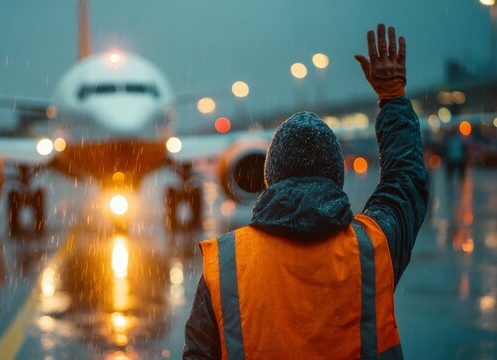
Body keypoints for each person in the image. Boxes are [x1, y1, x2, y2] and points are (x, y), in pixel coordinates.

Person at [183, 24, 428, 359]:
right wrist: (392, 97)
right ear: (336, 176)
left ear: (269, 177)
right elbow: (406, 180)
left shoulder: (227, 263)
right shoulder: (373, 247)